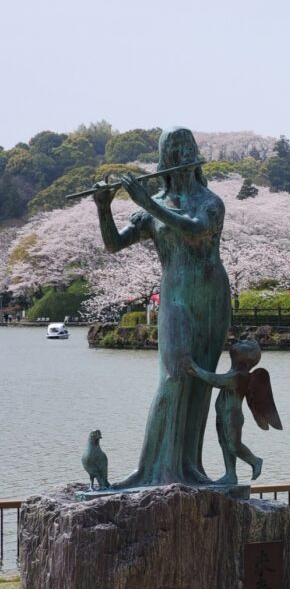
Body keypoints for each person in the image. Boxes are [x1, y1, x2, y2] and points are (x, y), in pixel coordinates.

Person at [92, 127, 231, 486]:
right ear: (165, 157)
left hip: (212, 296)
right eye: (175, 147)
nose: (183, 152)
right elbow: (113, 244)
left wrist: (148, 204)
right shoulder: (153, 206)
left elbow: (195, 229)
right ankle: (151, 470)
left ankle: (189, 469)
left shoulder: (210, 202)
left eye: (188, 145)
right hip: (175, 296)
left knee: (201, 381)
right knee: (173, 376)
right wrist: (104, 208)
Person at [188, 338, 281, 485]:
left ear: (247, 357)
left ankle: (255, 461)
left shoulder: (239, 376)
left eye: (244, 344)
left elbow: (216, 380)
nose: (239, 341)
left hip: (233, 415)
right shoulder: (234, 372)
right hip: (222, 414)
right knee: (224, 443)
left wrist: (196, 370)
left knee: (233, 445)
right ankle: (230, 474)